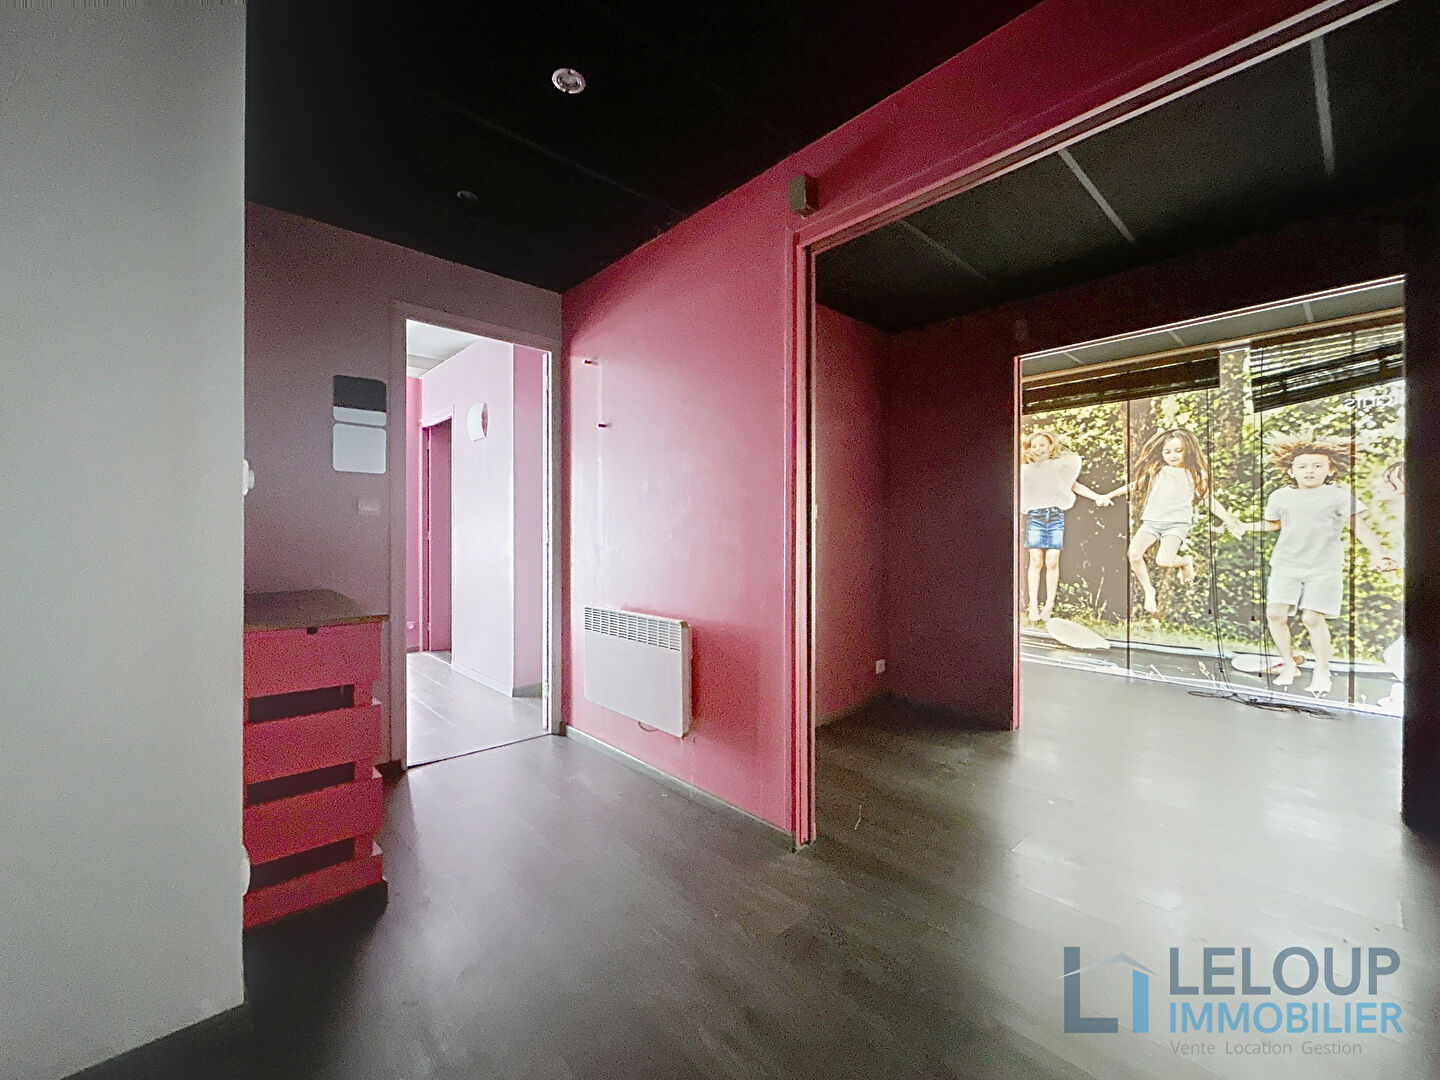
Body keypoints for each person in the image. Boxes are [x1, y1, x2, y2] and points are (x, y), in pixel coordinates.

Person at [1231, 433, 1396, 696]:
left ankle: (1322, 671)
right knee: (1275, 614)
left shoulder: (1339, 496)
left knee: (1312, 617)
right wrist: (1244, 526)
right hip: (1286, 563)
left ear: (1330, 470)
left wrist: (1378, 554)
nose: (1310, 471)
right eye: (1303, 466)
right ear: (1291, 471)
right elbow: (1273, 525)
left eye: (1317, 466)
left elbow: (1360, 527)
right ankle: (1289, 664)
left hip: (1324, 566)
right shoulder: (1280, 496)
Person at [1101, 427, 1244, 614]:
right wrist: (1109, 495)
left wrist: (1229, 520)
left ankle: (1185, 561)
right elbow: (1135, 486)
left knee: (1164, 561)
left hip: (1177, 524)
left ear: (1188, 450)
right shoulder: (1157, 470)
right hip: (1152, 521)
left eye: (1178, 450)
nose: (1173, 456)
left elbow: (1209, 500)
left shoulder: (1196, 474)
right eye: (1167, 452)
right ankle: (1149, 590)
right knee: (1134, 555)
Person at [1020, 427, 1111, 623]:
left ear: (1050, 447)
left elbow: (1074, 486)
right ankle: (1033, 605)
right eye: (1034, 446)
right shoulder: (1026, 470)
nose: (1038, 449)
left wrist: (1096, 497)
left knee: (1052, 560)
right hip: (1036, 516)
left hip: (1055, 516)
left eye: (1042, 445)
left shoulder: (1059, 468)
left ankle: (1049, 605)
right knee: (1036, 559)